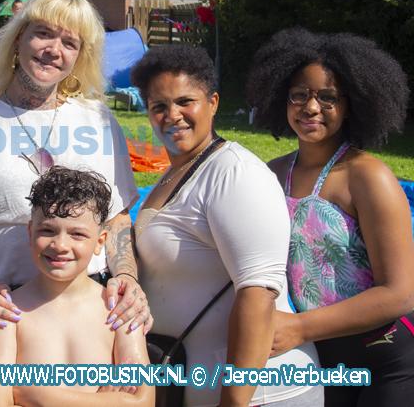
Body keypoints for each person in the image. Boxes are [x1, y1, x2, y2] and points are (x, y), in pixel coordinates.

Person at [0, 0, 149, 407]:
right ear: (19, 39)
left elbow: (116, 220)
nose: (53, 50)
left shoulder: (99, 122)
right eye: (44, 34)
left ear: (81, 56)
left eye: (69, 43)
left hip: (88, 319)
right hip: (1, 318)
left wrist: (127, 277)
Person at [130, 45, 321, 406]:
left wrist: (234, 400)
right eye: (159, 106)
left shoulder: (235, 173)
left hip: (262, 394)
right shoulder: (175, 174)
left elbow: (258, 295)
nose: (173, 115)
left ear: (213, 102)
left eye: (186, 101)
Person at [247, 28, 414, 406]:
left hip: (384, 360)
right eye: (299, 95)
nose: (310, 108)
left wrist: (300, 327)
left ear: (352, 103)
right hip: (320, 359)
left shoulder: (368, 177)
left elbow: (400, 293)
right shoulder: (270, 174)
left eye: (328, 97)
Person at [0, 166, 154, 407]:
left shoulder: (120, 310)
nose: (60, 244)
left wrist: (38, 396)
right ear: (30, 233)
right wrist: (108, 402)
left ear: (99, 241)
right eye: (47, 230)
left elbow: (143, 402)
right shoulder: (6, 313)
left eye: (77, 234)